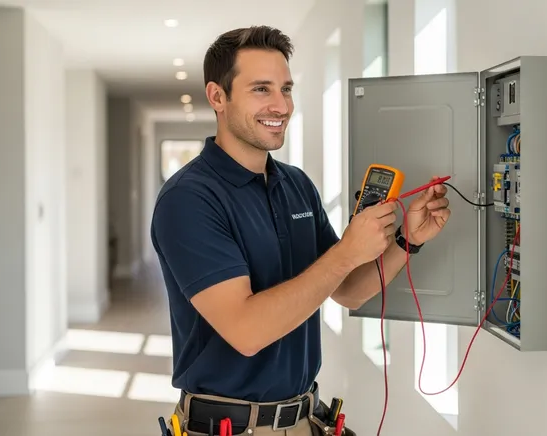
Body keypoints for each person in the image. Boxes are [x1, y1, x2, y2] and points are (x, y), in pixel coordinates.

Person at [150, 25, 451, 436]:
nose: (282, 105)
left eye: (286, 89)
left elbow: (347, 289)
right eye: (261, 89)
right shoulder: (188, 199)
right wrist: (345, 251)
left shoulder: (295, 185)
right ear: (217, 97)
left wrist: (406, 241)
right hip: (228, 428)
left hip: (306, 420)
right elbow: (247, 331)